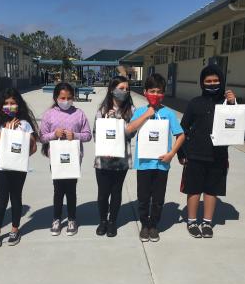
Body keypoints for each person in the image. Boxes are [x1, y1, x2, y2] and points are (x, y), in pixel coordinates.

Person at [178, 65, 236, 239]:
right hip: (195, 154)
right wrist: (182, 153)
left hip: (218, 155)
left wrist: (233, 104)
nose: (212, 84)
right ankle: (192, 221)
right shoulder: (195, 103)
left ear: (222, 81)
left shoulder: (228, 103)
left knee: (212, 190)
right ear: (202, 83)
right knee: (194, 189)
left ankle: (207, 222)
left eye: (216, 81)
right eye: (208, 81)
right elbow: (183, 128)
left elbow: (235, 125)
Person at [126, 73, 185, 242]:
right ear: (145, 92)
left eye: (159, 91)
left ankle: (154, 225)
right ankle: (144, 225)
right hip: (144, 163)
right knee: (143, 197)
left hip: (161, 164)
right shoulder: (141, 111)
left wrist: (171, 153)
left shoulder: (168, 113)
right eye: (152, 91)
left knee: (158, 198)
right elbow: (130, 129)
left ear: (163, 94)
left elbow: (180, 135)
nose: (155, 94)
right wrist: (147, 115)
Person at [0, 88, 38, 248]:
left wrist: (26, 142)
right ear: (1, 106)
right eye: (6, 103)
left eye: (13, 103)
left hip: (18, 169)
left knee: (16, 199)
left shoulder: (25, 124)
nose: (9, 106)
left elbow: (33, 148)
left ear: (18, 105)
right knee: (1, 201)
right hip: (1, 168)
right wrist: (6, 132)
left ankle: (15, 230)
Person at [40, 82, 91, 236]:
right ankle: (56, 218)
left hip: (74, 159)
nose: (66, 100)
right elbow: (41, 137)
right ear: (56, 98)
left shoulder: (79, 113)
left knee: (71, 190)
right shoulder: (49, 114)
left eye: (69, 98)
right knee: (58, 189)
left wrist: (75, 135)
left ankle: (71, 219)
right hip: (55, 159)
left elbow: (88, 135)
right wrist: (54, 135)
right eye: (62, 98)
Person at [93, 76, 135, 237]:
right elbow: (96, 133)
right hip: (103, 160)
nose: (125, 91)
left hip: (121, 160)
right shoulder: (102, 110)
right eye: (121, 88)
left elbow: (132, 133)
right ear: (112, 89)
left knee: (116, 192)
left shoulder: (131, 110)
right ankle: (102, 221)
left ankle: (112, 222)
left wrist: (118, 121)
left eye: (126, 89)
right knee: (103, 193)